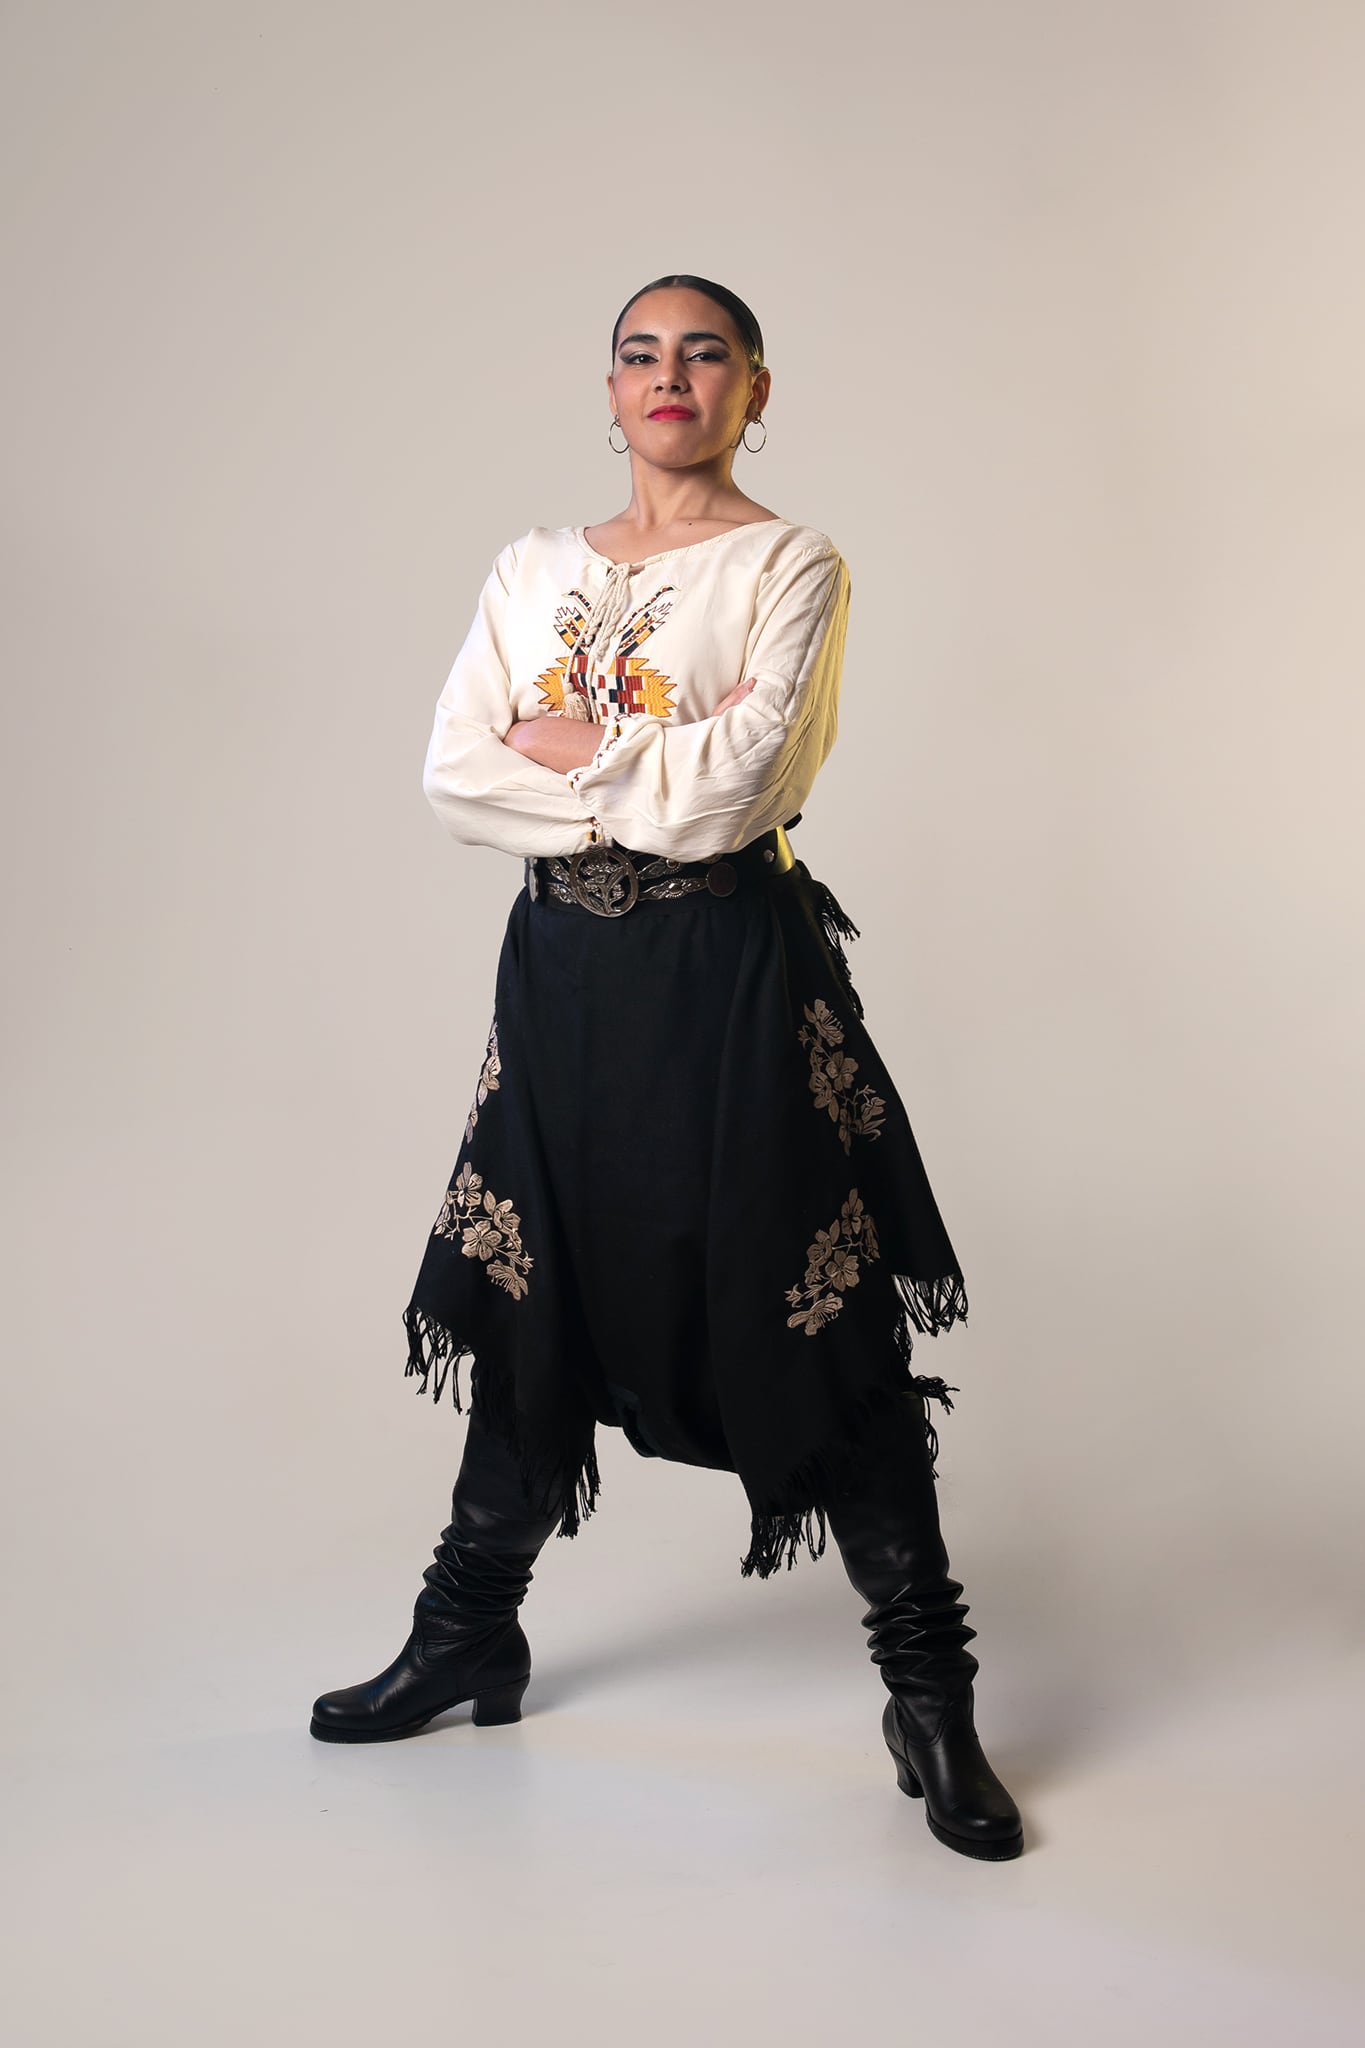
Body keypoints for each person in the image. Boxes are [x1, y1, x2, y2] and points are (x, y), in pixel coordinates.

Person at [309, 274, 1024, 1861]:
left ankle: (930, 1695)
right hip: (562, 973)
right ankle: (466, 1632)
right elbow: (451, 769)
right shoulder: (529, 565)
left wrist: (568, 744)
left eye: (705, 353)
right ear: (609, 389)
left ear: (755, 390)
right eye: (640, 353)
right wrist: (641, 768)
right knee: (531, 1276)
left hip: (725, 971)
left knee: (810, 1299)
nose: (669, 376)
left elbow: (741, 790)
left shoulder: (790, 562)